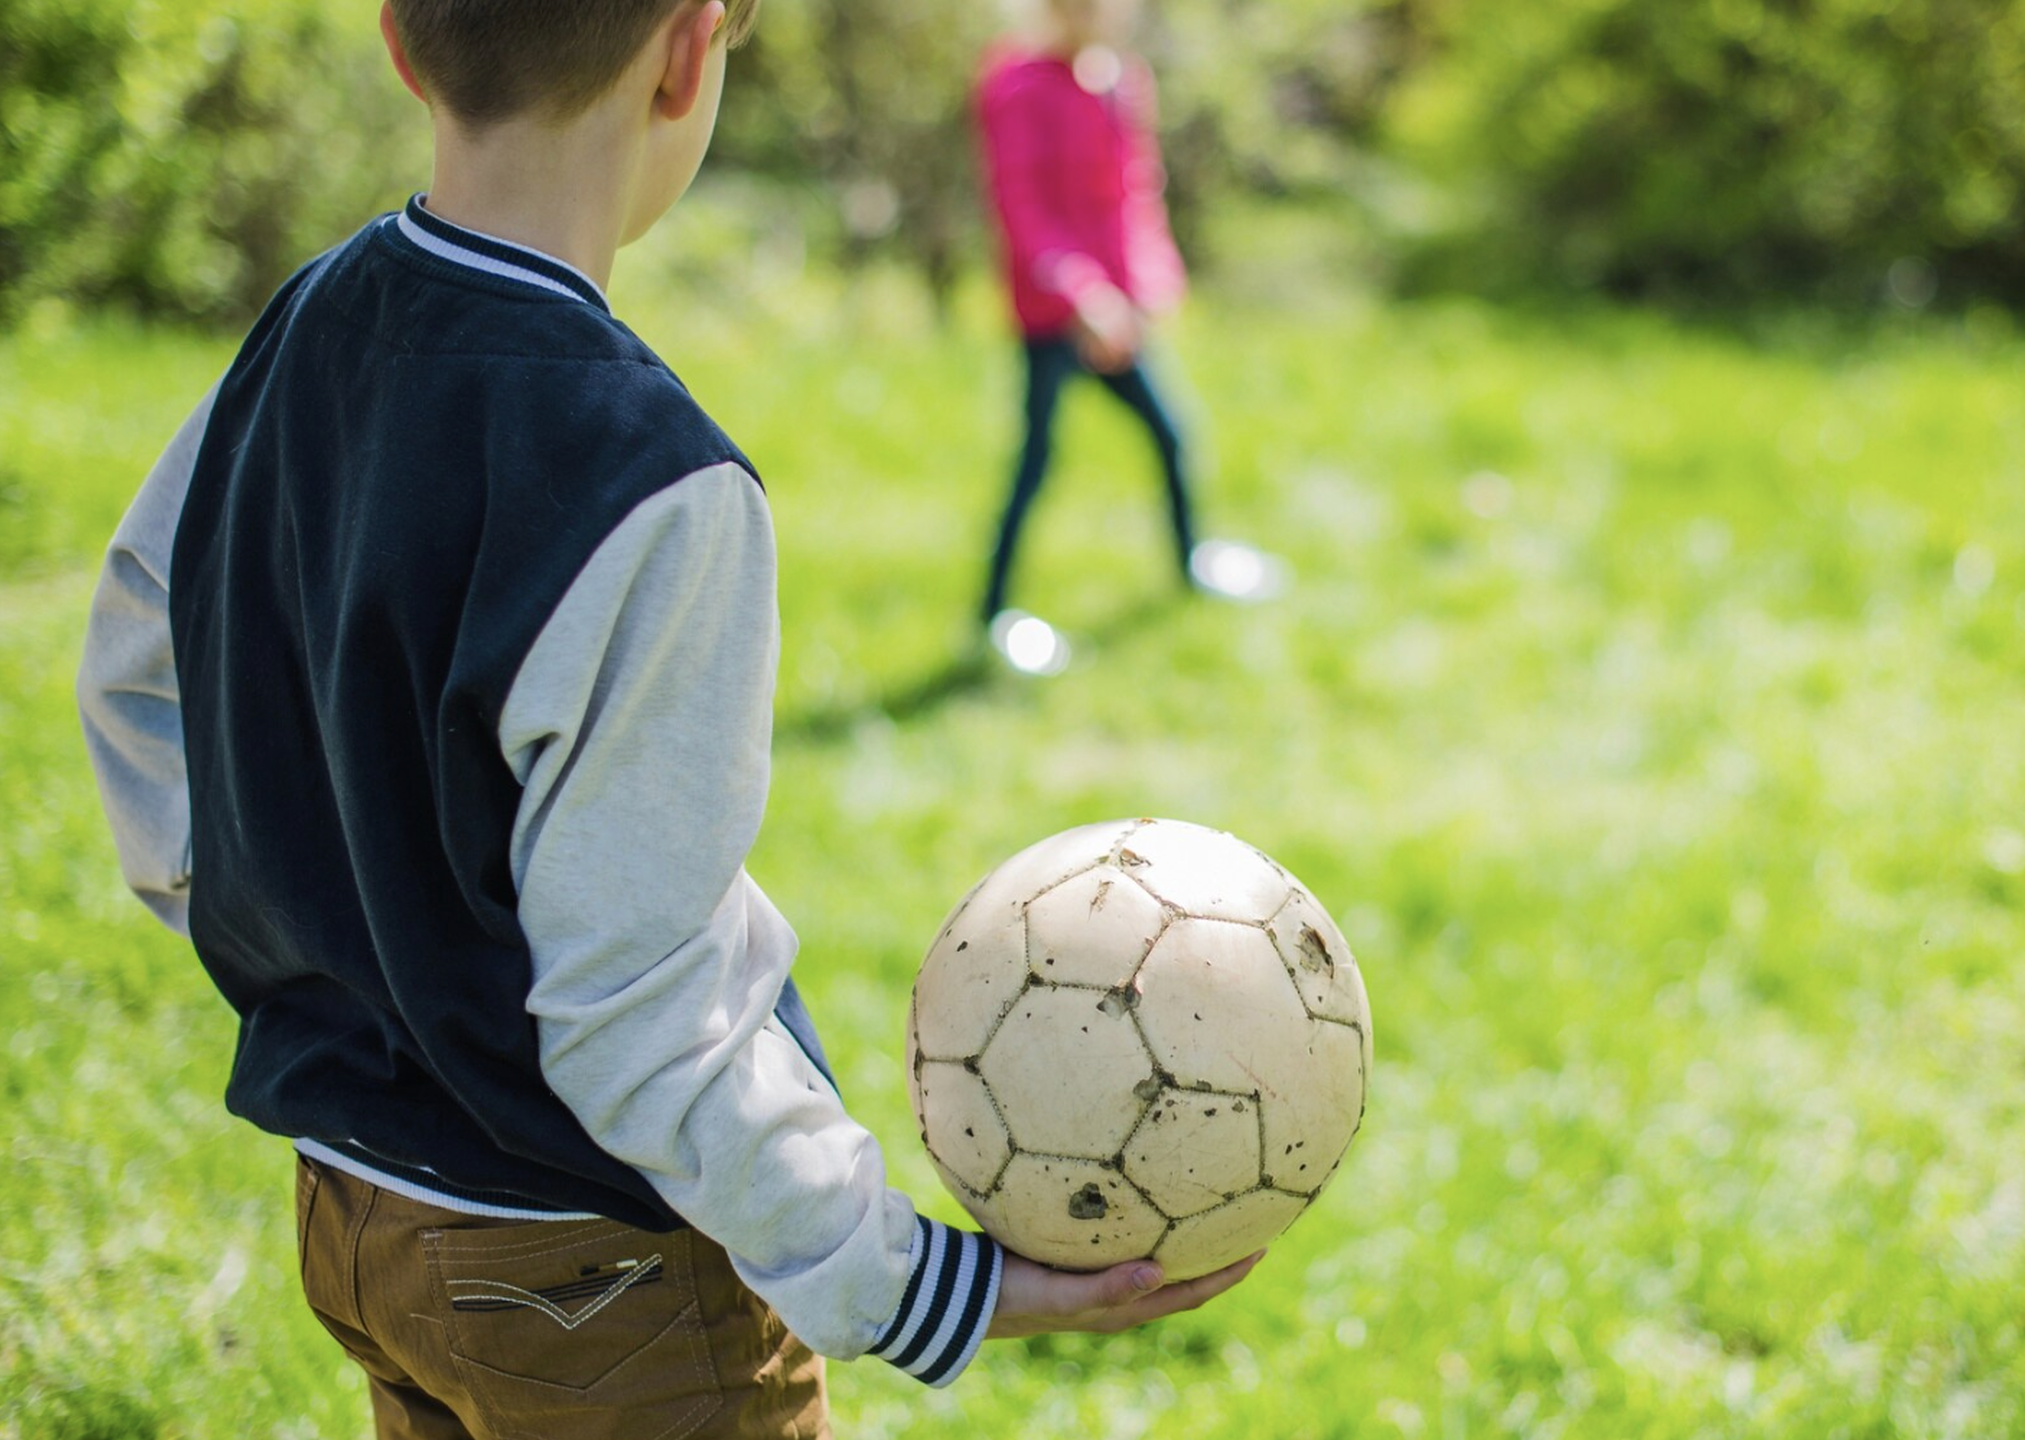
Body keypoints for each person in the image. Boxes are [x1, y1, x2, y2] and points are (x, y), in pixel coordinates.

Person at [73, 2, 1259, 1435]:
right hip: (596, 1278)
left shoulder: (302, 321)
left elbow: (140, 668)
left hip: (357, 1216)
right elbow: (638, 1009)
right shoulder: (648, 478)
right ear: (690, 51)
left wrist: (316, 940)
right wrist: (908, 1278)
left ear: (398, 38)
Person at [975, 0, 1286, 677]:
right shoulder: (1016, 85)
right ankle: (993, 615)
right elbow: (1021, 207)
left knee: (1174, 434)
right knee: (1038, 460)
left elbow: (1135, 194)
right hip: (1054, 315)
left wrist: (1148, 284)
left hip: (1120, 312)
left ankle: (1191, 564)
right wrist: (1080, 293)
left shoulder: (1121, 80)